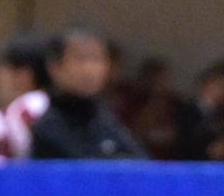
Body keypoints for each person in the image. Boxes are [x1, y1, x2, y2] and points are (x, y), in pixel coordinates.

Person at [25, 30, 145, 161]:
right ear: (54, 67)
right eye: (79, 59)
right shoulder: (48, 127)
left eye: (97, 59)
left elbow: (143, 164)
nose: (89, 69)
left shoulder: (104, 118)